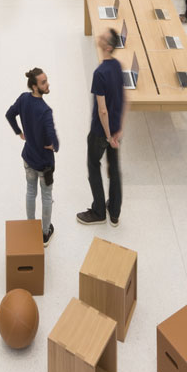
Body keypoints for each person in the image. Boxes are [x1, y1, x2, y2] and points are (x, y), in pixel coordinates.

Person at [77, 28, 127, 227]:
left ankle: (99, 211)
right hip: (116, 130)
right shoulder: (117, 66)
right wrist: (118, 130)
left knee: (93, 166)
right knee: (114, 169)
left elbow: (102, 110)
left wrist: (107, 136)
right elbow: (124, 99)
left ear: (107, 47)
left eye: (102, 37)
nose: (98, 36)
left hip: (101, 132)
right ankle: (114, 212)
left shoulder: (99, 73)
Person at [6, 67, 59, 245]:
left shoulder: (23, 99)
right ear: (35, 87)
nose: (47, 84)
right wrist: (54, 145)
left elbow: (9, 114)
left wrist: (19, 132)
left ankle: (30, 227)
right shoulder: (45, 111)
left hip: (28, 158)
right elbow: (54, 141)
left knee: (30, 191)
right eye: (43, 82)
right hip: (44, 163)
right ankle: (44, 233)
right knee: (46, 196)